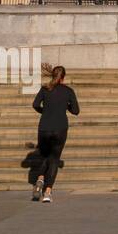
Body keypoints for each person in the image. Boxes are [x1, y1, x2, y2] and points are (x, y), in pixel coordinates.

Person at [31, 65, 80, 202]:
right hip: (60, 128)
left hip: (44, 127)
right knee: (54, 159)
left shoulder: (45, 89)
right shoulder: (68, 91)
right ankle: (47, 193)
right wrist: (66, 105)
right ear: (63, 78)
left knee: (44, 154)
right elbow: (76, 111)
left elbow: (35, 104)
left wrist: (44, 112)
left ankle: (40, 178)